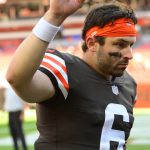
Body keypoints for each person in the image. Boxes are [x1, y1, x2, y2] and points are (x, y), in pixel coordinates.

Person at [6, 0, 138, 149]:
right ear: (92, 43)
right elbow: (16, 78)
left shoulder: (129, 83)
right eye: (120, 44)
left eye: (130, 45)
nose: (129, 54)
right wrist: (54, 16)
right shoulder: (64, 69)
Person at [0, 83, 28, 150]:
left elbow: (23, 101)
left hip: (17, 113)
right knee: (13, 133)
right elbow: (2, 99)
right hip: (10, 113)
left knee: (20, 133)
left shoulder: (17, 89)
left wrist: (23, 113)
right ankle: (16, 148)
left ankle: (25, 148)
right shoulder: (6, 89)